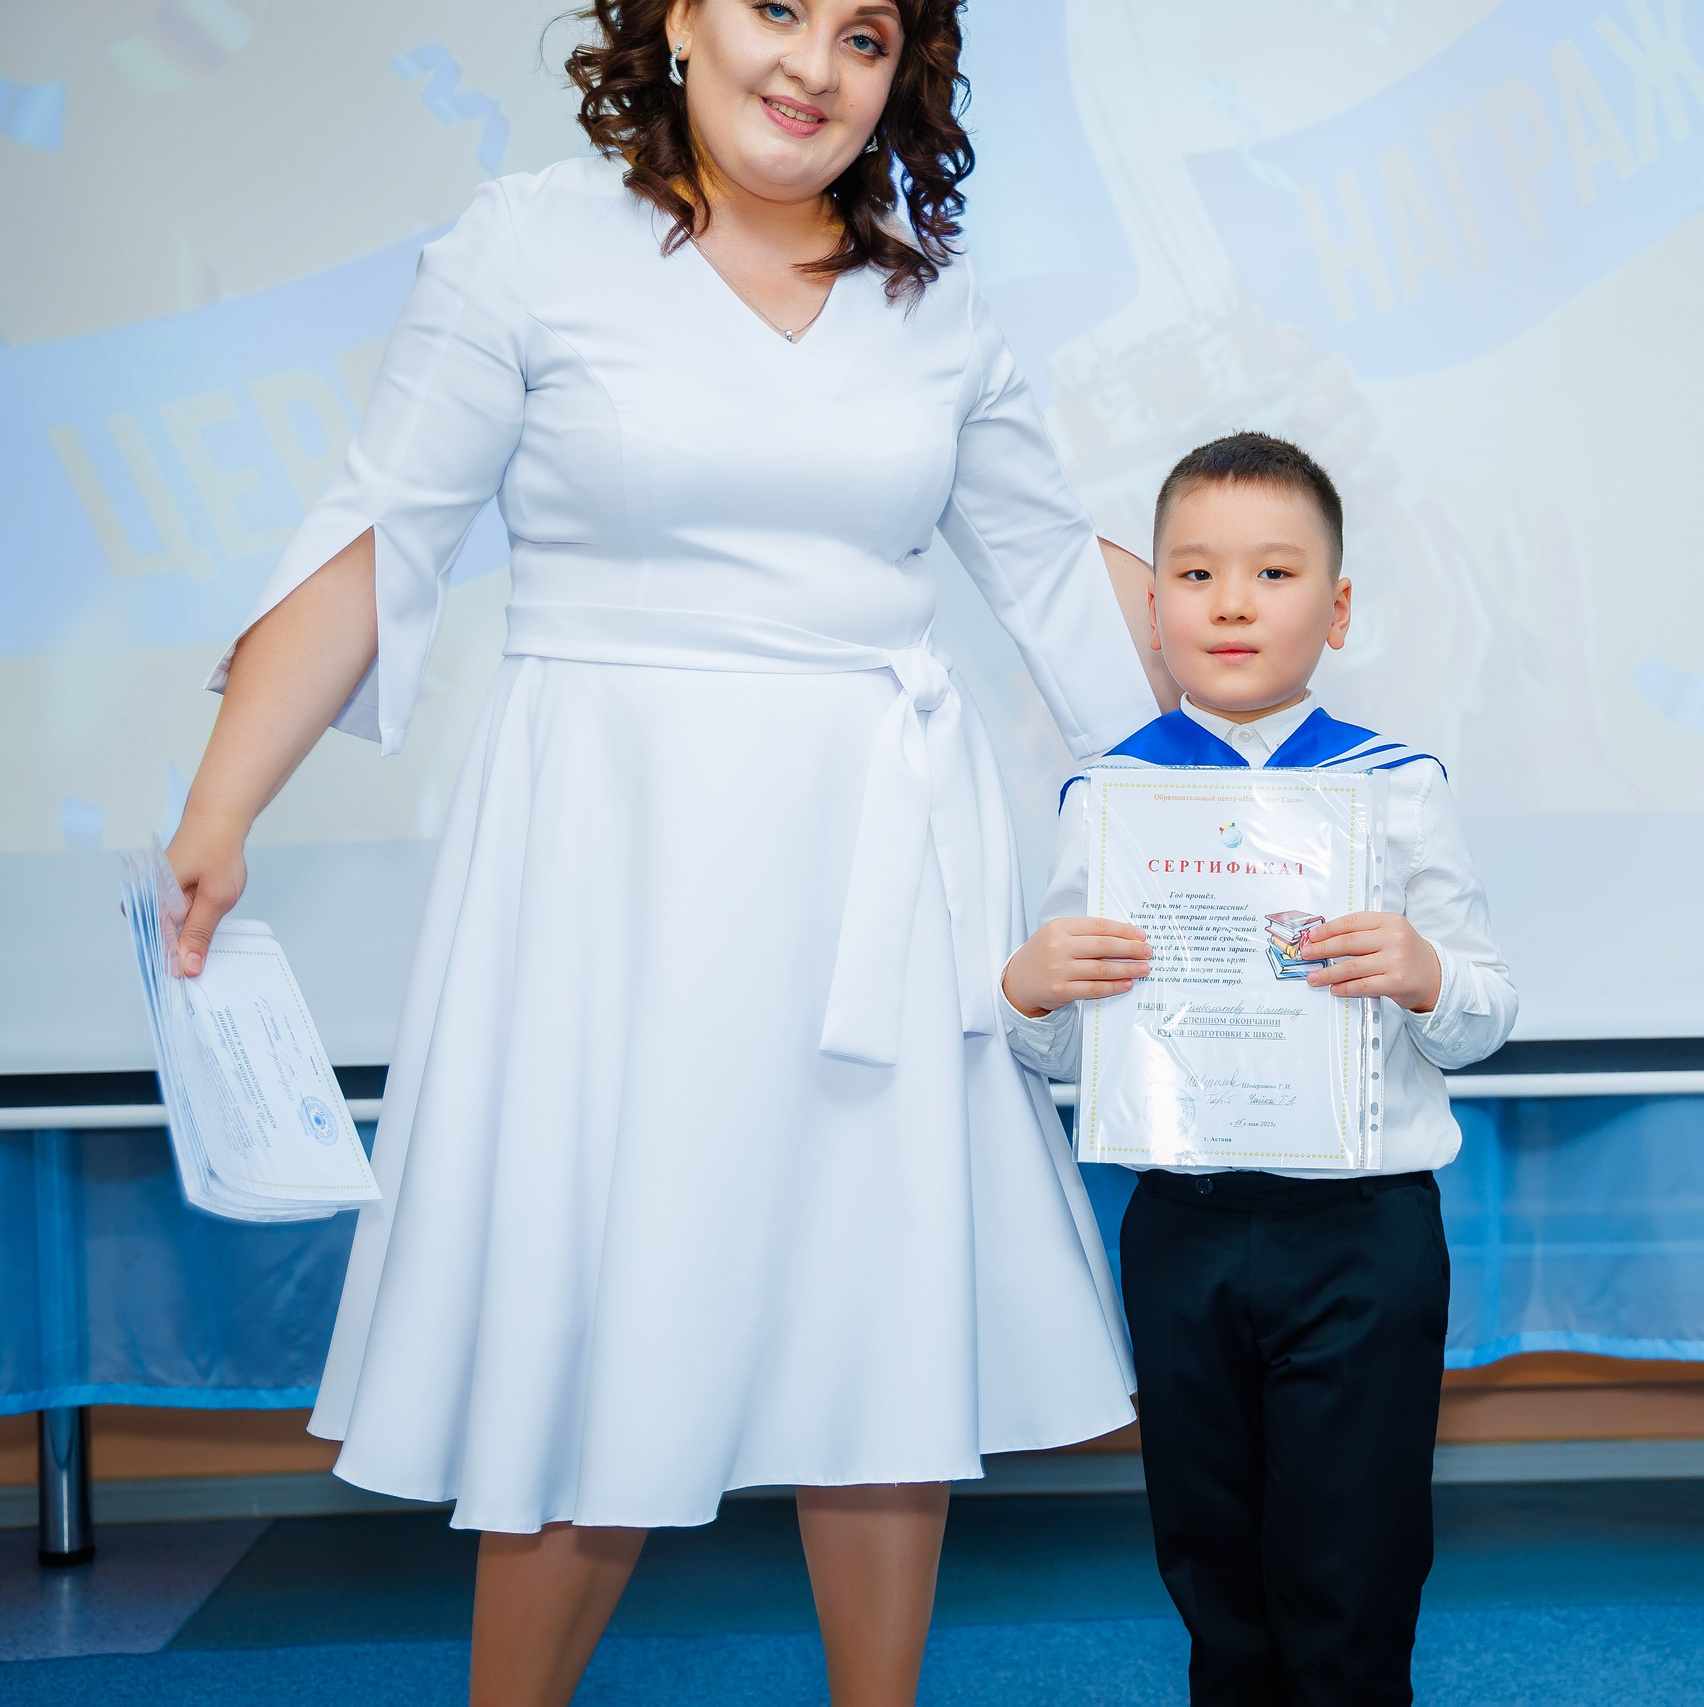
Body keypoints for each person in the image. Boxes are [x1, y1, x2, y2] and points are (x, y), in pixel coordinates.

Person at [162, 4, 1173, 1703]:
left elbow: (1068, 589)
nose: (812, 65)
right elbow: (379, 530)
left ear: (900, 74)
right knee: (595, 1315)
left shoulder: (934, 305)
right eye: (774, 9)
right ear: (680, 22)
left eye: (864, 35)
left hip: (873, 859)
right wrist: (217, 810)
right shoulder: (532, 244)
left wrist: (1285, 749)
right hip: (608, 867)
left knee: (876, 1310)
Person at [1000, 432, 1519, 1706]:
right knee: (1212, 1566)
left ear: (1335, 610)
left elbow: (1485, 1011)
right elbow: (1069, 1049)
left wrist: (1420, 969)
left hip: (1361, 1234)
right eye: (1193, 575)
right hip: (1180, 1228)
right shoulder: (1110, 797)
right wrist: (1025, 994)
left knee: (1354, 1570)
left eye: (1274, 572)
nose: (1231, 603)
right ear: (1156, 607)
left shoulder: (1392, 790)